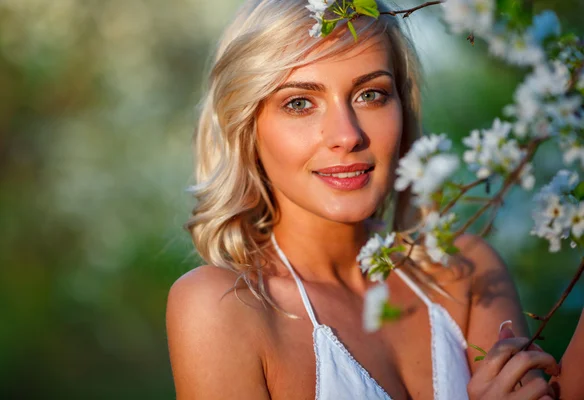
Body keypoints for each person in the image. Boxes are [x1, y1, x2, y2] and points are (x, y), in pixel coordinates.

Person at [166, 0, 584, 398]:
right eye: (299, 103)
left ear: (402, 105)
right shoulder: (222, 308)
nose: (347, 135)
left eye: (371, 95)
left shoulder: (466, 272)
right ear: (247, 126)